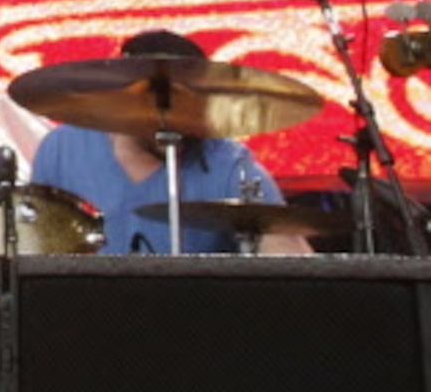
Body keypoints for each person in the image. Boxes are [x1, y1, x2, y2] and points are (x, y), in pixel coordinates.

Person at [29, 29, 312, 257]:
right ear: (124, 98)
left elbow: (290, 256)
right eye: (157, 102)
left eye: (186, 103)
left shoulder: (228, 162)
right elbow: (36, 248)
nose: (171, 116)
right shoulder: (61, 149)